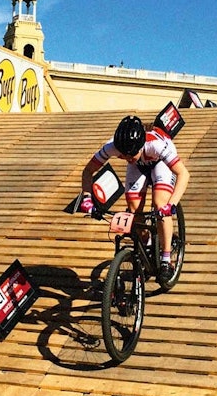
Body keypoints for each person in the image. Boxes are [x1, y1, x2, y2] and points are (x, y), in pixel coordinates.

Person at [78, 115, 190, 278]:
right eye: (124, 156)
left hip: (160, 163)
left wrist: (171, 205)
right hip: (138, 167)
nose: (127, 158)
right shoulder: (112, 146)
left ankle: (166, 258)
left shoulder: (155, 145)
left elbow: (183, 174)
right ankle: (147, 244)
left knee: (160, 203)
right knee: (134, 211)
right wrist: (87, 198)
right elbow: (88, 171)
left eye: (131, 155)